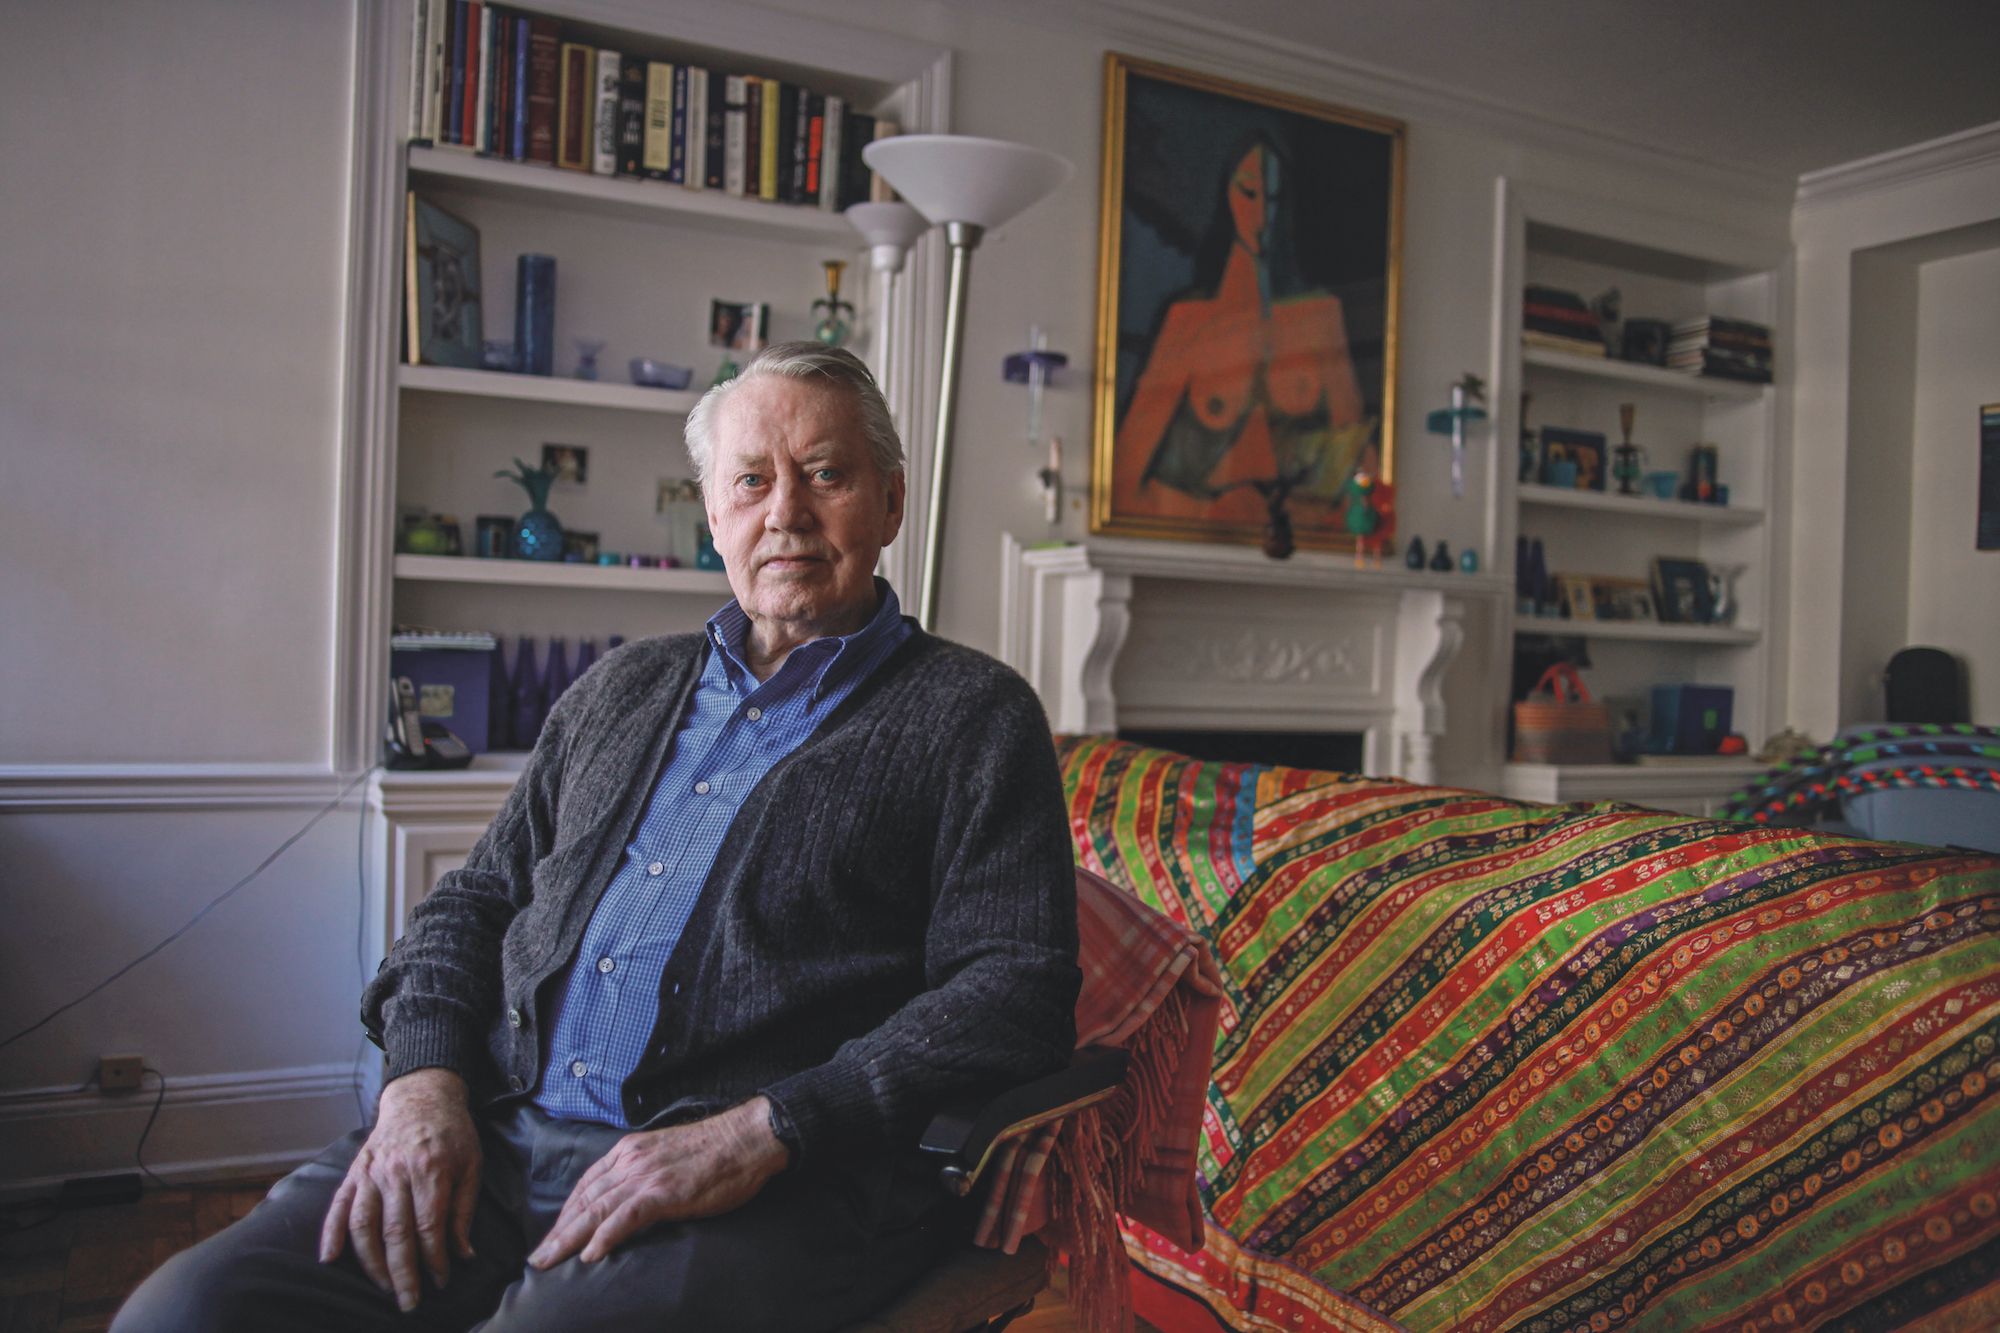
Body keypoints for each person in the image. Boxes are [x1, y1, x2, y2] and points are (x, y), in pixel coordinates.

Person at [115, 343, 1082, 1332]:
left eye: (825, 474)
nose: (785, 512)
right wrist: (421, 1085)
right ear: (714, 515)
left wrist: (765, 1128)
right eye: (751, 481)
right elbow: (473, 902)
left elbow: (1015, 989)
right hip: (496, 1133)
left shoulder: (973, 716)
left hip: (766, 1179)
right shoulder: (621, 687)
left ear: (890, 502)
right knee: (186, 1314)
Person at [1110, 133, 1376, 532]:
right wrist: (1210, 513)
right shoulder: (1188, 322)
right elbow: (1123, 485)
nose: (1261, 215)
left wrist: (1318, 520)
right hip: (1202, 533)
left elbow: (1361, 467)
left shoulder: (1320, 317)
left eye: (1274, 198)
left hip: (1297, 541)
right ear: (1227, 196)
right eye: (1248, 193)